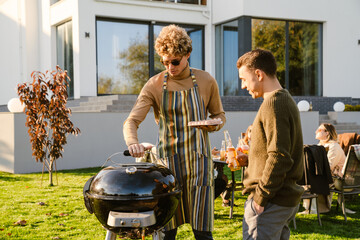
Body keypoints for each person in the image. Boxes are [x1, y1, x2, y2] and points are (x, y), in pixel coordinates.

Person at [123, 24, 226, 240]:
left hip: (200, 164)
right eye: (165, 61)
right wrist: (133, 142)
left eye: (175, 61)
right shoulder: (154, 85)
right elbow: (131, 121)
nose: (170, 67)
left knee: (203, 233)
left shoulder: (206, 81)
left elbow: (220, 116)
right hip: (168, 168)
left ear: (187, 54)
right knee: (167, 232)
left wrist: (212, 125)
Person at [236, 49, 304, 240]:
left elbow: (280, 156)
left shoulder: (273, 104)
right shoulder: (284, 99)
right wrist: (250, 160)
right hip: (280, 201)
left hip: (270, 203)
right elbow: (278, 150)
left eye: (244, 79)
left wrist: (260, 198)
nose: (243, 86)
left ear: (258, 74)